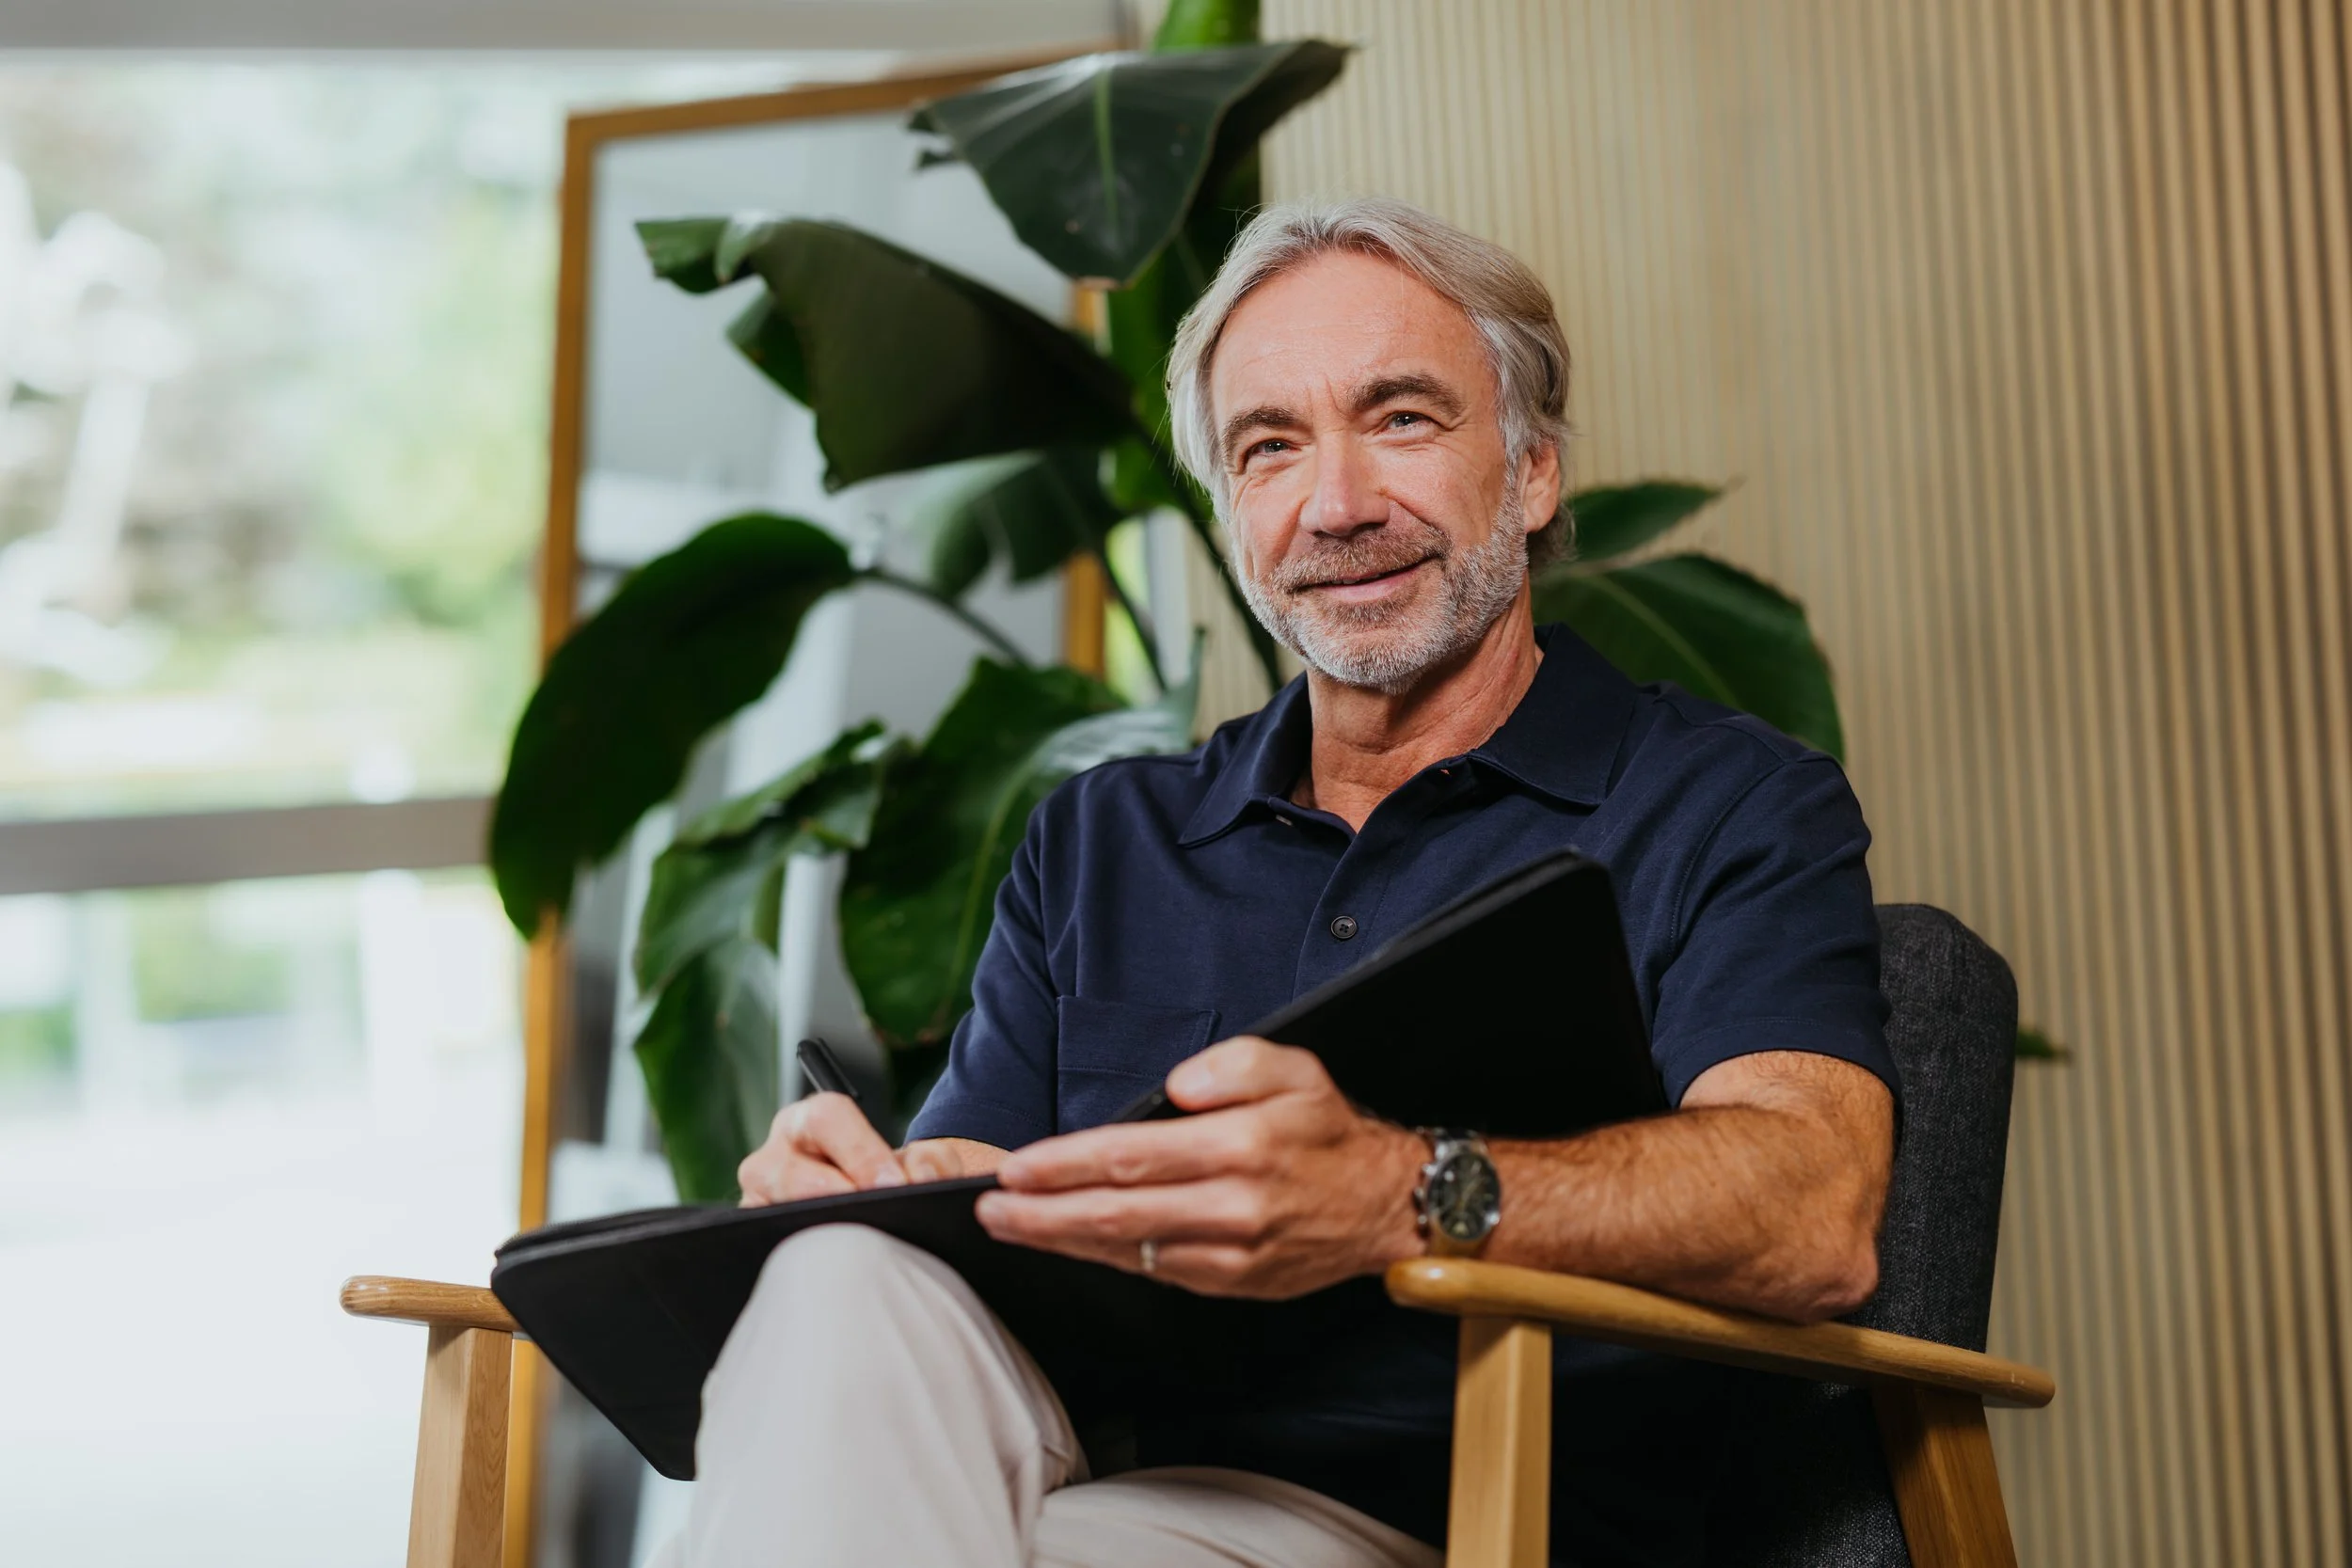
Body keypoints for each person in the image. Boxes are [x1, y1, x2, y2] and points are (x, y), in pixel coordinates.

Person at [668, 198, 1898, 1568]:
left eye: (1404, 420)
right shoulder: (1101, 837)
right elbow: (966, 1238)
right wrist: (876, 1192)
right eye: (1270, 448)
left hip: (1482, 1526)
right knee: (845, 1274)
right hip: (1068, 1498)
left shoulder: (1725, 800)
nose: (1337, 505)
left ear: (1535, 468)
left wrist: (1400, 1192)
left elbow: (1815, 1208)